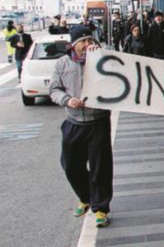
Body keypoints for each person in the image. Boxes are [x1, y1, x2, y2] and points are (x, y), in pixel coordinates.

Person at [48, 25, 113, 228]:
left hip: (98, 122)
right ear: (73, 44)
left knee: (100, 167)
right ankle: (86, 197)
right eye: (83, 41)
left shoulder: (104, 61)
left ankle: (100, 207)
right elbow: (54, 89)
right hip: (73, 121)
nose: (87, 45)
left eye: (90, 40)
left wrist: (99, 59)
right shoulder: (62, 63)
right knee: (70, 165)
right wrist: (67, 100)